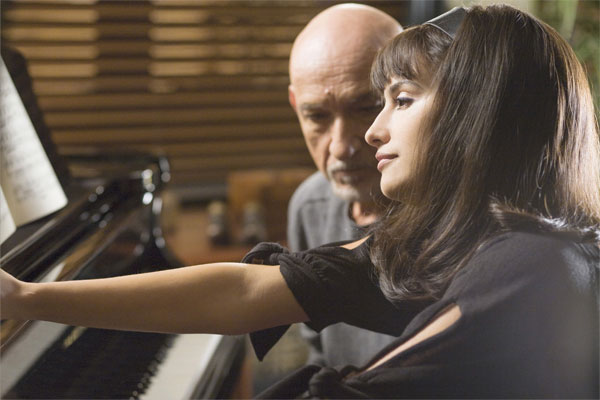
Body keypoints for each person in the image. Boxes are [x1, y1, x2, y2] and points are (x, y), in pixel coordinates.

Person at [2, 4, 598, 398]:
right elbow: (246, 291)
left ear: (475, 114)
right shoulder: (456, 238)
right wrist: (25, 297)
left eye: (399, 100)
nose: (370, 134)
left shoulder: (528, 267)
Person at [285, 3, 402, 367]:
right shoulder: (309, 206)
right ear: (295, 105)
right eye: (317, 116)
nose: (340, 147)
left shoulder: (459, 216)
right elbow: (320, 356)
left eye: (366, 107)